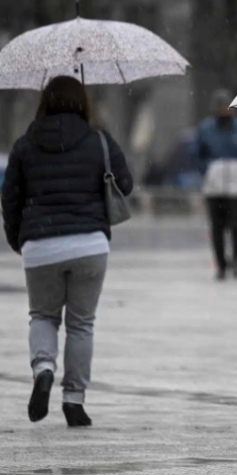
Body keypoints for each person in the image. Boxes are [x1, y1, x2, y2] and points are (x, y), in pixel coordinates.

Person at [1, 76, 134, 426]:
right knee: (81, 324)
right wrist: (101, 148)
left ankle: (43, 367)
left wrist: (19, 239)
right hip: (89, 243)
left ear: (44, 102)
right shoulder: (99, 140)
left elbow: (10, 199)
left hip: (40, 245)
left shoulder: (24, 145)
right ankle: (73, 399)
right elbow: (127, 184)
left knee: (43, 316)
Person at [194, 89, 237, 281]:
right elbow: (197, 153)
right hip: (214, 183)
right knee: (217, 225)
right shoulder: (206, 129)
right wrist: (206, 170)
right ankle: (221, 263)